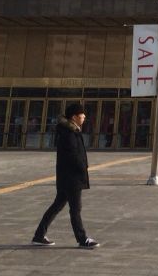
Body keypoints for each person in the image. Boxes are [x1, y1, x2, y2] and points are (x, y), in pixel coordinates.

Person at [32, 102, 100, 249]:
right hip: (71, 177)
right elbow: (73, 155)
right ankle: (82, 239)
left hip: (66, 176)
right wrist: (82, 168)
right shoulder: (69, 133)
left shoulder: (71, 130)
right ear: (74, 117)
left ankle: (39, 235)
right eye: (82, 114)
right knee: (75, 209)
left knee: (57, 206)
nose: (84, 117)